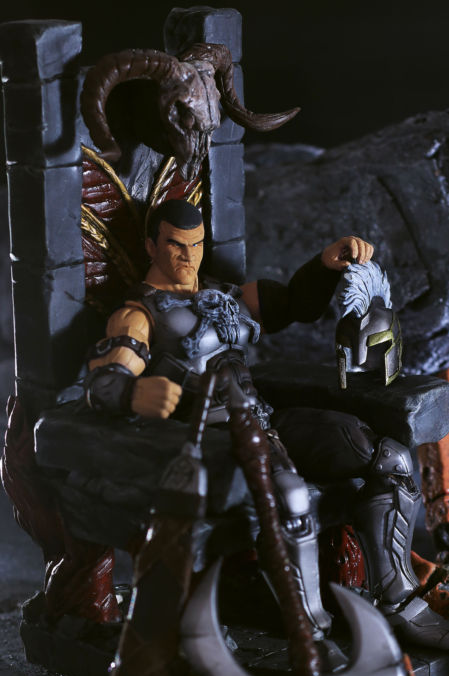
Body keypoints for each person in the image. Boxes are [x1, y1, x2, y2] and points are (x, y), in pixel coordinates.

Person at [84, 198, 449, 652]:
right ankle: (312, 636)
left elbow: (294, 303)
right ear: (151, 246)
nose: (188, 256)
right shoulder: (139, 315)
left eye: (196, 245)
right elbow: (103, 382)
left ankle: (399, 602)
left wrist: (324, 266)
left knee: (388, 456)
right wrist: (134, 393)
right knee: (292, 496)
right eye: (176, 245)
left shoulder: (225, 296)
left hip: (266, 421)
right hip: (216, 441)